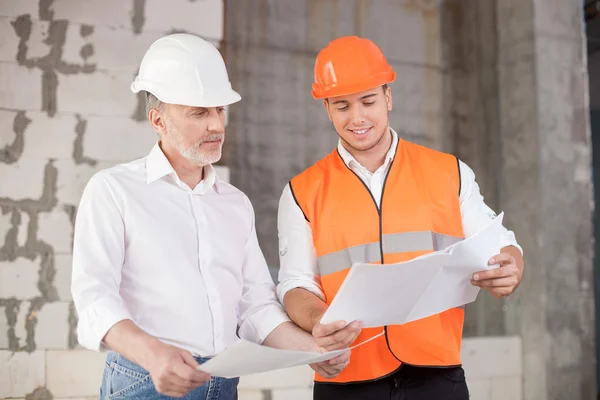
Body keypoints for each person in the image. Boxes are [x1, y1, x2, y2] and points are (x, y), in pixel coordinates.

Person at [71, 33, 349, 400]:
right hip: (146, 383)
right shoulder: (113, 191)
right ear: (158, 120)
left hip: (223, 382)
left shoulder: (235, 205)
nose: (216, 126)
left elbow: (255, 308)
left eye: (220, 110)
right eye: (199, 113)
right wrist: (156, 357)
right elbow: (94, 300)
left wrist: (311, 349)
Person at [276, 36, 525, 400]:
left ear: (388, 97)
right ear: (327, 108)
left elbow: (501, 243)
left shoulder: (448, 172)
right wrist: (318, 321)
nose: (358, 117)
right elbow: (295, 284)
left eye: (369, 101)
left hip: (436, 376)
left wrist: (511, 266)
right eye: (342, 105)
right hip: (346, 377)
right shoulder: (301, 191)